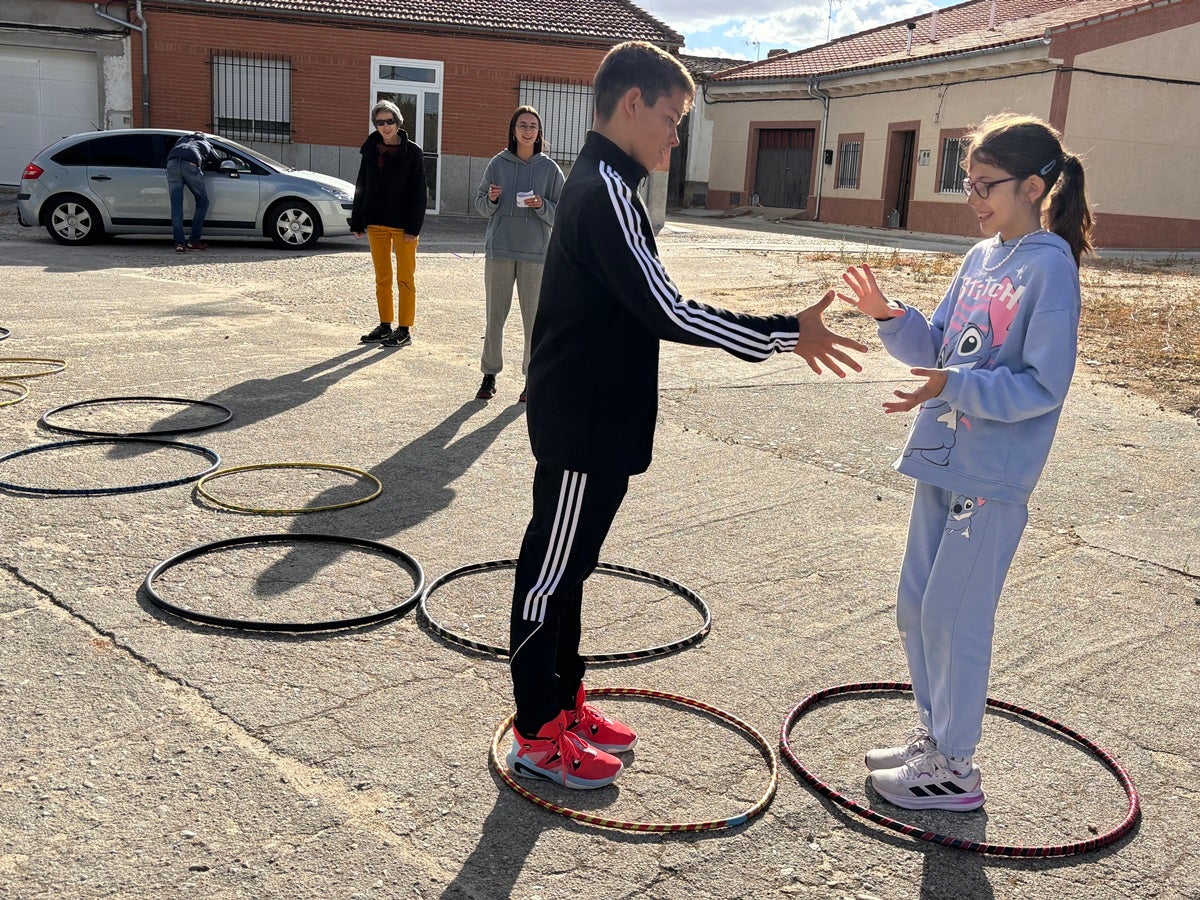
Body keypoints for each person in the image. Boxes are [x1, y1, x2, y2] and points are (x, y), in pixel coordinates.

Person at [505, 40, 868, 790]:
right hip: (582, 423)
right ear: (631, 104)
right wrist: (782, 333)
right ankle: (538, 729)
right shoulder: (603, 190)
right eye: (671, 119)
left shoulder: (611, 186)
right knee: (551, 571)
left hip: (599, 422)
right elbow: (666, 309)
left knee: (573, 568)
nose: (677, 136)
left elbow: (642, 307)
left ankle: (565, 700)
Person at [837, 111, 1094, 811]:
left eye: (987, 185)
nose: (972, 198)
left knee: (957, 615)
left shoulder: (1051, 270)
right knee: (916, 607)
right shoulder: (980, 261)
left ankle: (956, 767)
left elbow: (1043, 385)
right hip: (940, 459)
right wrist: (891, 316)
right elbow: (939, 346)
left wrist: (955, 384)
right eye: (968, 183)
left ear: (1034, 186)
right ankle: (934, 737)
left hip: (993, 477)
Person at [473, 106, 565, 402]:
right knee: (494, 315)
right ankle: (489, 375)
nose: (527, 130)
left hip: (536, 254)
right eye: (522, 125)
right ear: (513, 130)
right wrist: (491, 199)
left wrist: (541, 206)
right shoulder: (497, 164)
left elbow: (562, 214)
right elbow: (481, 207)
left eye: (533, 126)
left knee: (534, 319)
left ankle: (532, 378)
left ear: (539, 133)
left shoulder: (550, 169)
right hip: (499, 250)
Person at [351, 100, 428, 348]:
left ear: (398, 122)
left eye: (389, 121)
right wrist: (357, 219)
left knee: (405, 278)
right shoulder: (371, 148)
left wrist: (413, 228)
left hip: (403, 225)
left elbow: (419, 192)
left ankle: (404, 329)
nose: (385, 126)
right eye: (380, 122)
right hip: (376, 222)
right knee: (382, 277)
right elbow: (361, 183)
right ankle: (385, 325)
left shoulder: (413, 152)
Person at [167, 132, 217, 253]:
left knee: (176, 206)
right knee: (203, 202)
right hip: (190, 164)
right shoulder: (206, 143)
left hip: (172, 163)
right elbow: (217, 162)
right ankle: (193, 241)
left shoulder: (182, 139)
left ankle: (179, 243)